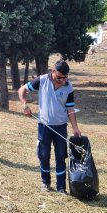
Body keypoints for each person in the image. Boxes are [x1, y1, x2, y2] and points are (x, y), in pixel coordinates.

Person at [18, 59, 81, 194]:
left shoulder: (68, 88)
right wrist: (24, 105)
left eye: (65, 78)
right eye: (59, 77)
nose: (62, 81)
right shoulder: (42, 80)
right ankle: (45, 183)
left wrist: (75, 128)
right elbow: (22, 89)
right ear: (53, 72)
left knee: (60, 156)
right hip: (44, 126)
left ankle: (61, 187)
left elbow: (70, 109)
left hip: (60, 127)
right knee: (44, 155)